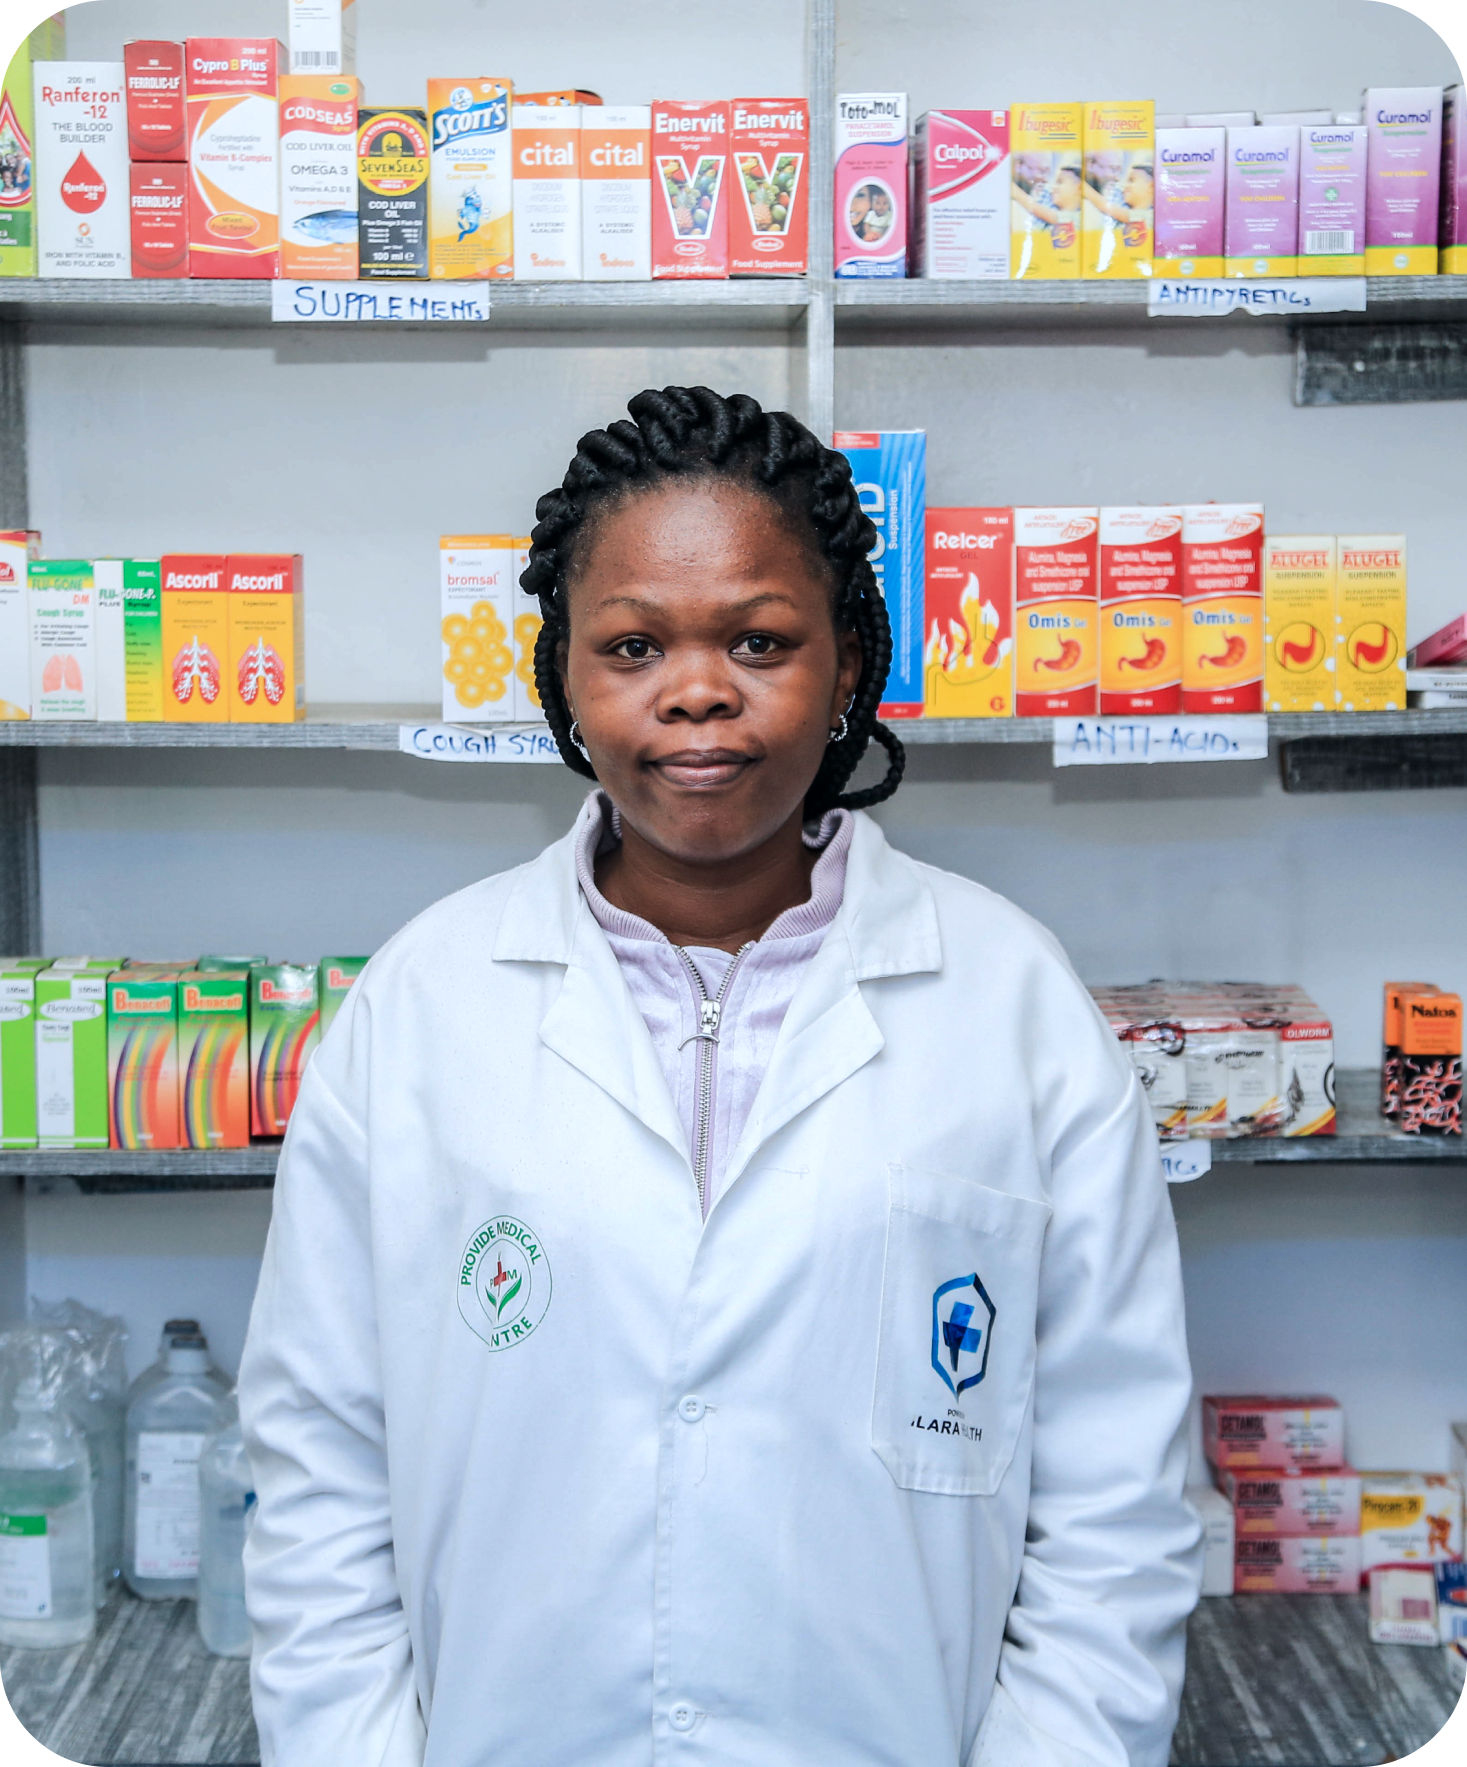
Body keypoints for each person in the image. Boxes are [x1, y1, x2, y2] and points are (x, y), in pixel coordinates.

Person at [240, 386, 1200, 1767]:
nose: (697, 688)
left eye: (760, 639)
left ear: (849, 660)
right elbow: (319, 1460)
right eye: (632, 644)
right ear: (560, 676)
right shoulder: (420, 1006)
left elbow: (1114, 1493)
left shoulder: (1014, 1006)